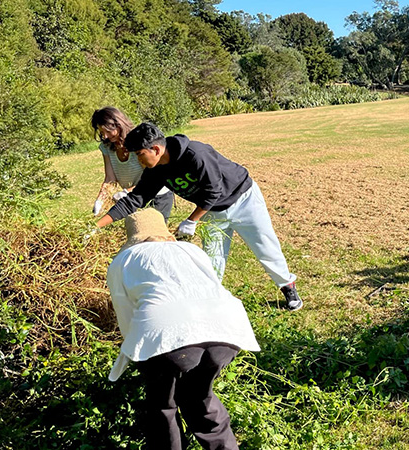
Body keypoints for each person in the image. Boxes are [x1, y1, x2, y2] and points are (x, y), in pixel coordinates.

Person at [93, 122, 303, 310]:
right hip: (211, 211)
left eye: (139, 154)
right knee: (212, 260)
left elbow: (214, 190)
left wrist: (191, 220)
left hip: (243, 199)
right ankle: (212, 301)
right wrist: (95, 226)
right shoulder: (156, 169)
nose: (138, 161)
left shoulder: (196, 154)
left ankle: (288, 286)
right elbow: (135, 199)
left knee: (265, 246)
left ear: (155, 149)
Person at [106, 208, 260, 450]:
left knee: (162, 405)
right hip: (226, 329)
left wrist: (135, 356)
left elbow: (126, 317)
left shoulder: (123, 261)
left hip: (167, 331)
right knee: (200, 396)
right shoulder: (192, 250)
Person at [90, 107, 174, 220]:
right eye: (102, 132)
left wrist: (126, 192)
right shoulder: (107, 147)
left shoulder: (137, 143)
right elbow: (110, 178)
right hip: (133, 199)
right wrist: (100, 200)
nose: (105, 136)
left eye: (108, 131)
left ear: (118, 124)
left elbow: (152, 179)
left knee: (152, 233)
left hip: (156, 195)